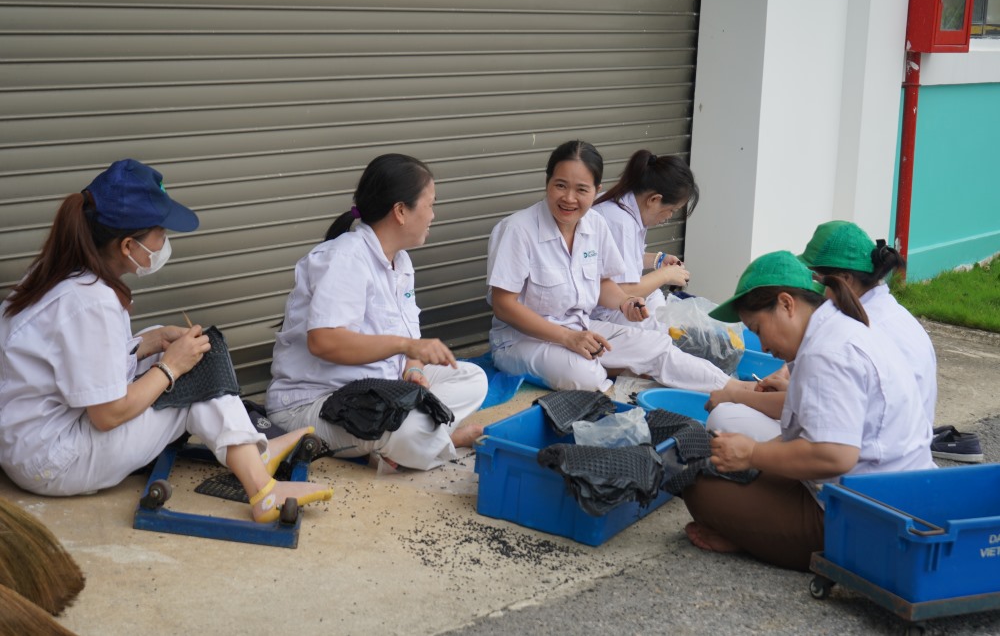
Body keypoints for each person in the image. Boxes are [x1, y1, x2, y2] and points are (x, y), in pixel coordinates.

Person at [0, 159, 333, 523]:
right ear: (128, 245)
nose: (164, 241)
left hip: (31, 439)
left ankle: (253, 451)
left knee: (176, 346)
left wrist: (155, 340)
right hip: (53, 460)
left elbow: (82, 359)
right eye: (160, 232)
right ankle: (263, 491)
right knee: (194, 382)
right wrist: (170, 367)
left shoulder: (66, 271)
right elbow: (108, 414)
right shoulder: (91, 302)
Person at [682, 251, 935, 570]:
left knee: (699, 489)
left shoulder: (827, 353)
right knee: (735, 473)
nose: (760, 346)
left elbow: (835, 455)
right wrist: (752, 458)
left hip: (869, 515)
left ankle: (756, 539)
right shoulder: (840, 329)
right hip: (902, 492)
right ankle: (754, 534)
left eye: (758, 329)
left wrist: (752, 454)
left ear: (787, 304)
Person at [266, 154, 488, 471]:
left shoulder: (401, 261)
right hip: (318, 403)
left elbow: (410, 339)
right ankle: (441, 440)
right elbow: (324, 342)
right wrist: (405, 347)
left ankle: (414, 444)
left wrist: (414, 370)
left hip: (379, 388)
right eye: (430, 204)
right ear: (400, 211)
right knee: (410, 429)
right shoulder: (346, 257)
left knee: (472, 379)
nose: (433, 215)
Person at [486, 140, 747, 394]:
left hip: (580, 328)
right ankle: (628, 370)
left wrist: (625, 302)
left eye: (581, 190)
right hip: (521, 341)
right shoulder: (517, 230)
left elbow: (602, 284)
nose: (569, 198)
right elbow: (504, 305)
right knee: (585, 375)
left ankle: (736, 389)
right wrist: (567, 339)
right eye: (560, 185)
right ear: (547, 183)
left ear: (596, 189)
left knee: (656, 345)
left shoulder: (595, 225)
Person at [706, 220, 937, 442]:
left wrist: (750, 442)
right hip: (885, 446)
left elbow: (834, 452)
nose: (809, 289)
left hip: (868, 461)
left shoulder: (842, 336)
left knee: (725, 417)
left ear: (844, 280)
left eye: (814, 279)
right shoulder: (879, 316)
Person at [590, 149, 696, 329]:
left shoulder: (626, 203)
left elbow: (621, 259)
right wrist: (665, 275)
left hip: (611, 303)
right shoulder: (621, 222)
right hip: (600, 314)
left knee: (661, 314)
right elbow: (622, 292)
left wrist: (658, 260)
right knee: (663, 339)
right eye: (671, 210)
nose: (669, 217)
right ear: (654, 199)